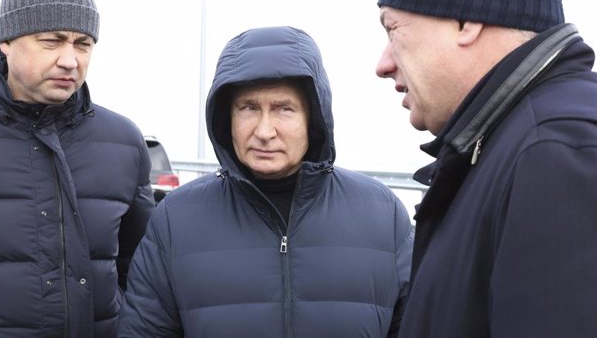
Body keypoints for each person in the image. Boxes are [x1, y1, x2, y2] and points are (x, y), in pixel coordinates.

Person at [374, 0, 597, 337]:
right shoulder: (505, 146)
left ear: (466, 23)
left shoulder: (557, 152)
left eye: (393, 29)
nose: (383, 64)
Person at [118, 26, 413, 337]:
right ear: (225, 116)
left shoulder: (382, 214)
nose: (264, 131)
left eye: (284, 109)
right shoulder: (175, 218)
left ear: (312, 118)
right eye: (248, 108)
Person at [0, 0, 155, 337]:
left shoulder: (123, 141)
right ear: (6, 40)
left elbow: (145, 271)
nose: (70, 59)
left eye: (83, 44)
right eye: (52, 40)